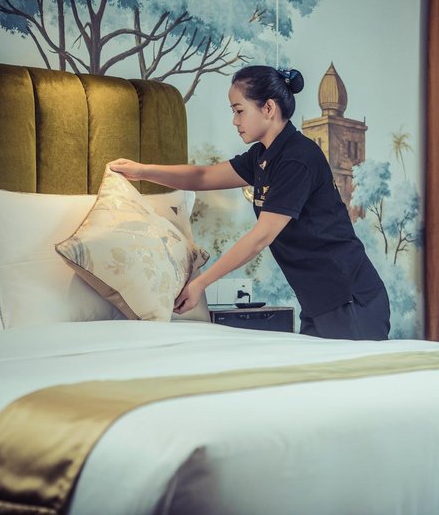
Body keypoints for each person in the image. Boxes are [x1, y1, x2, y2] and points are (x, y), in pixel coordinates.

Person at [110, 65, 390, 340]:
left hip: (350, 299)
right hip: (318, 301)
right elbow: (203, 176)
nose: (235, 121)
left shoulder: (297, 158)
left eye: (239, 111)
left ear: (268, 108)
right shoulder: (262, 156)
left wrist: (200, 283)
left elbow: (261, 236)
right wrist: (142, 171)